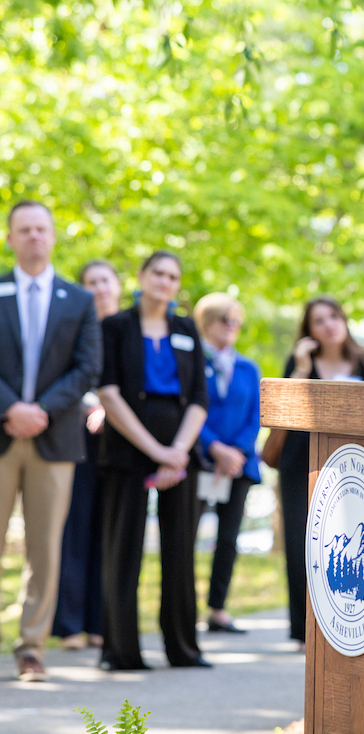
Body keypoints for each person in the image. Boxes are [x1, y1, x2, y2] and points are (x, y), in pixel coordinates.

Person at [0, 201, 102, 681]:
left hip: (54, 437)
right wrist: (11, 408)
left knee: (45, 548)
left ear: (54, 236)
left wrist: (40, 410)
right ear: (10, 237)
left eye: (41, 229)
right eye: (24, 229)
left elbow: (87, 367)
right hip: (1, 432)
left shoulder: (79, 300)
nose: (34, 236)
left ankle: (31, 648)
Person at [96, 250, 209, 670]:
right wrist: (156, 452)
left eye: (173, 276)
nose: (164, 281)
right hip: (128, 447)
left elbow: (199, 397)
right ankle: (121, 651)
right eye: (157, 273)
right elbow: (108, 393)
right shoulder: (114, 326)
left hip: (180, 449)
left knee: (180, 551)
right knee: (122, 548)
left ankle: (184, 648)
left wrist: (177, 452)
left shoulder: (186, 329)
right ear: (141, 276)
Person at [276, 296, 364, 648]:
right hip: (300, 464)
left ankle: (345, 622)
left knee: (347, 545)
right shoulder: (300, 362)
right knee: (301, 543)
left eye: (333, 316)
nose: (329, 325)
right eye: (318, 321)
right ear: (309, 331)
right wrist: (302, 367)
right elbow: (284, 408)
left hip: (353, 466)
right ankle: (302, 629)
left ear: (345, 320)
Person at [53, 259, 122, 651]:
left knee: (108, 530)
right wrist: (92, 405)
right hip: (77, 437)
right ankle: (70, 626)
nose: (99, 288)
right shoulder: (74, 323)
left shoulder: (129, 328)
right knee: (75, 528)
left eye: (105, 280)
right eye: (91, 282)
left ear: (117, 284)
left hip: (121, 442)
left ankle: (101, 622)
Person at [192, 292, 260, 635]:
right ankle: (183, 607)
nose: (232, 327)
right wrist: (214, 448)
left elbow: (256, 416)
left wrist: (234, 453)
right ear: (206, 323)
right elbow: (189, 408)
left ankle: (217, 609)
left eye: (237, 321)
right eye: (225, 320)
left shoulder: (249, 368)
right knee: (185, 536)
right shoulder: (191, 362)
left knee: (228, 539)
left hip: (239, 466)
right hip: (198, 461)